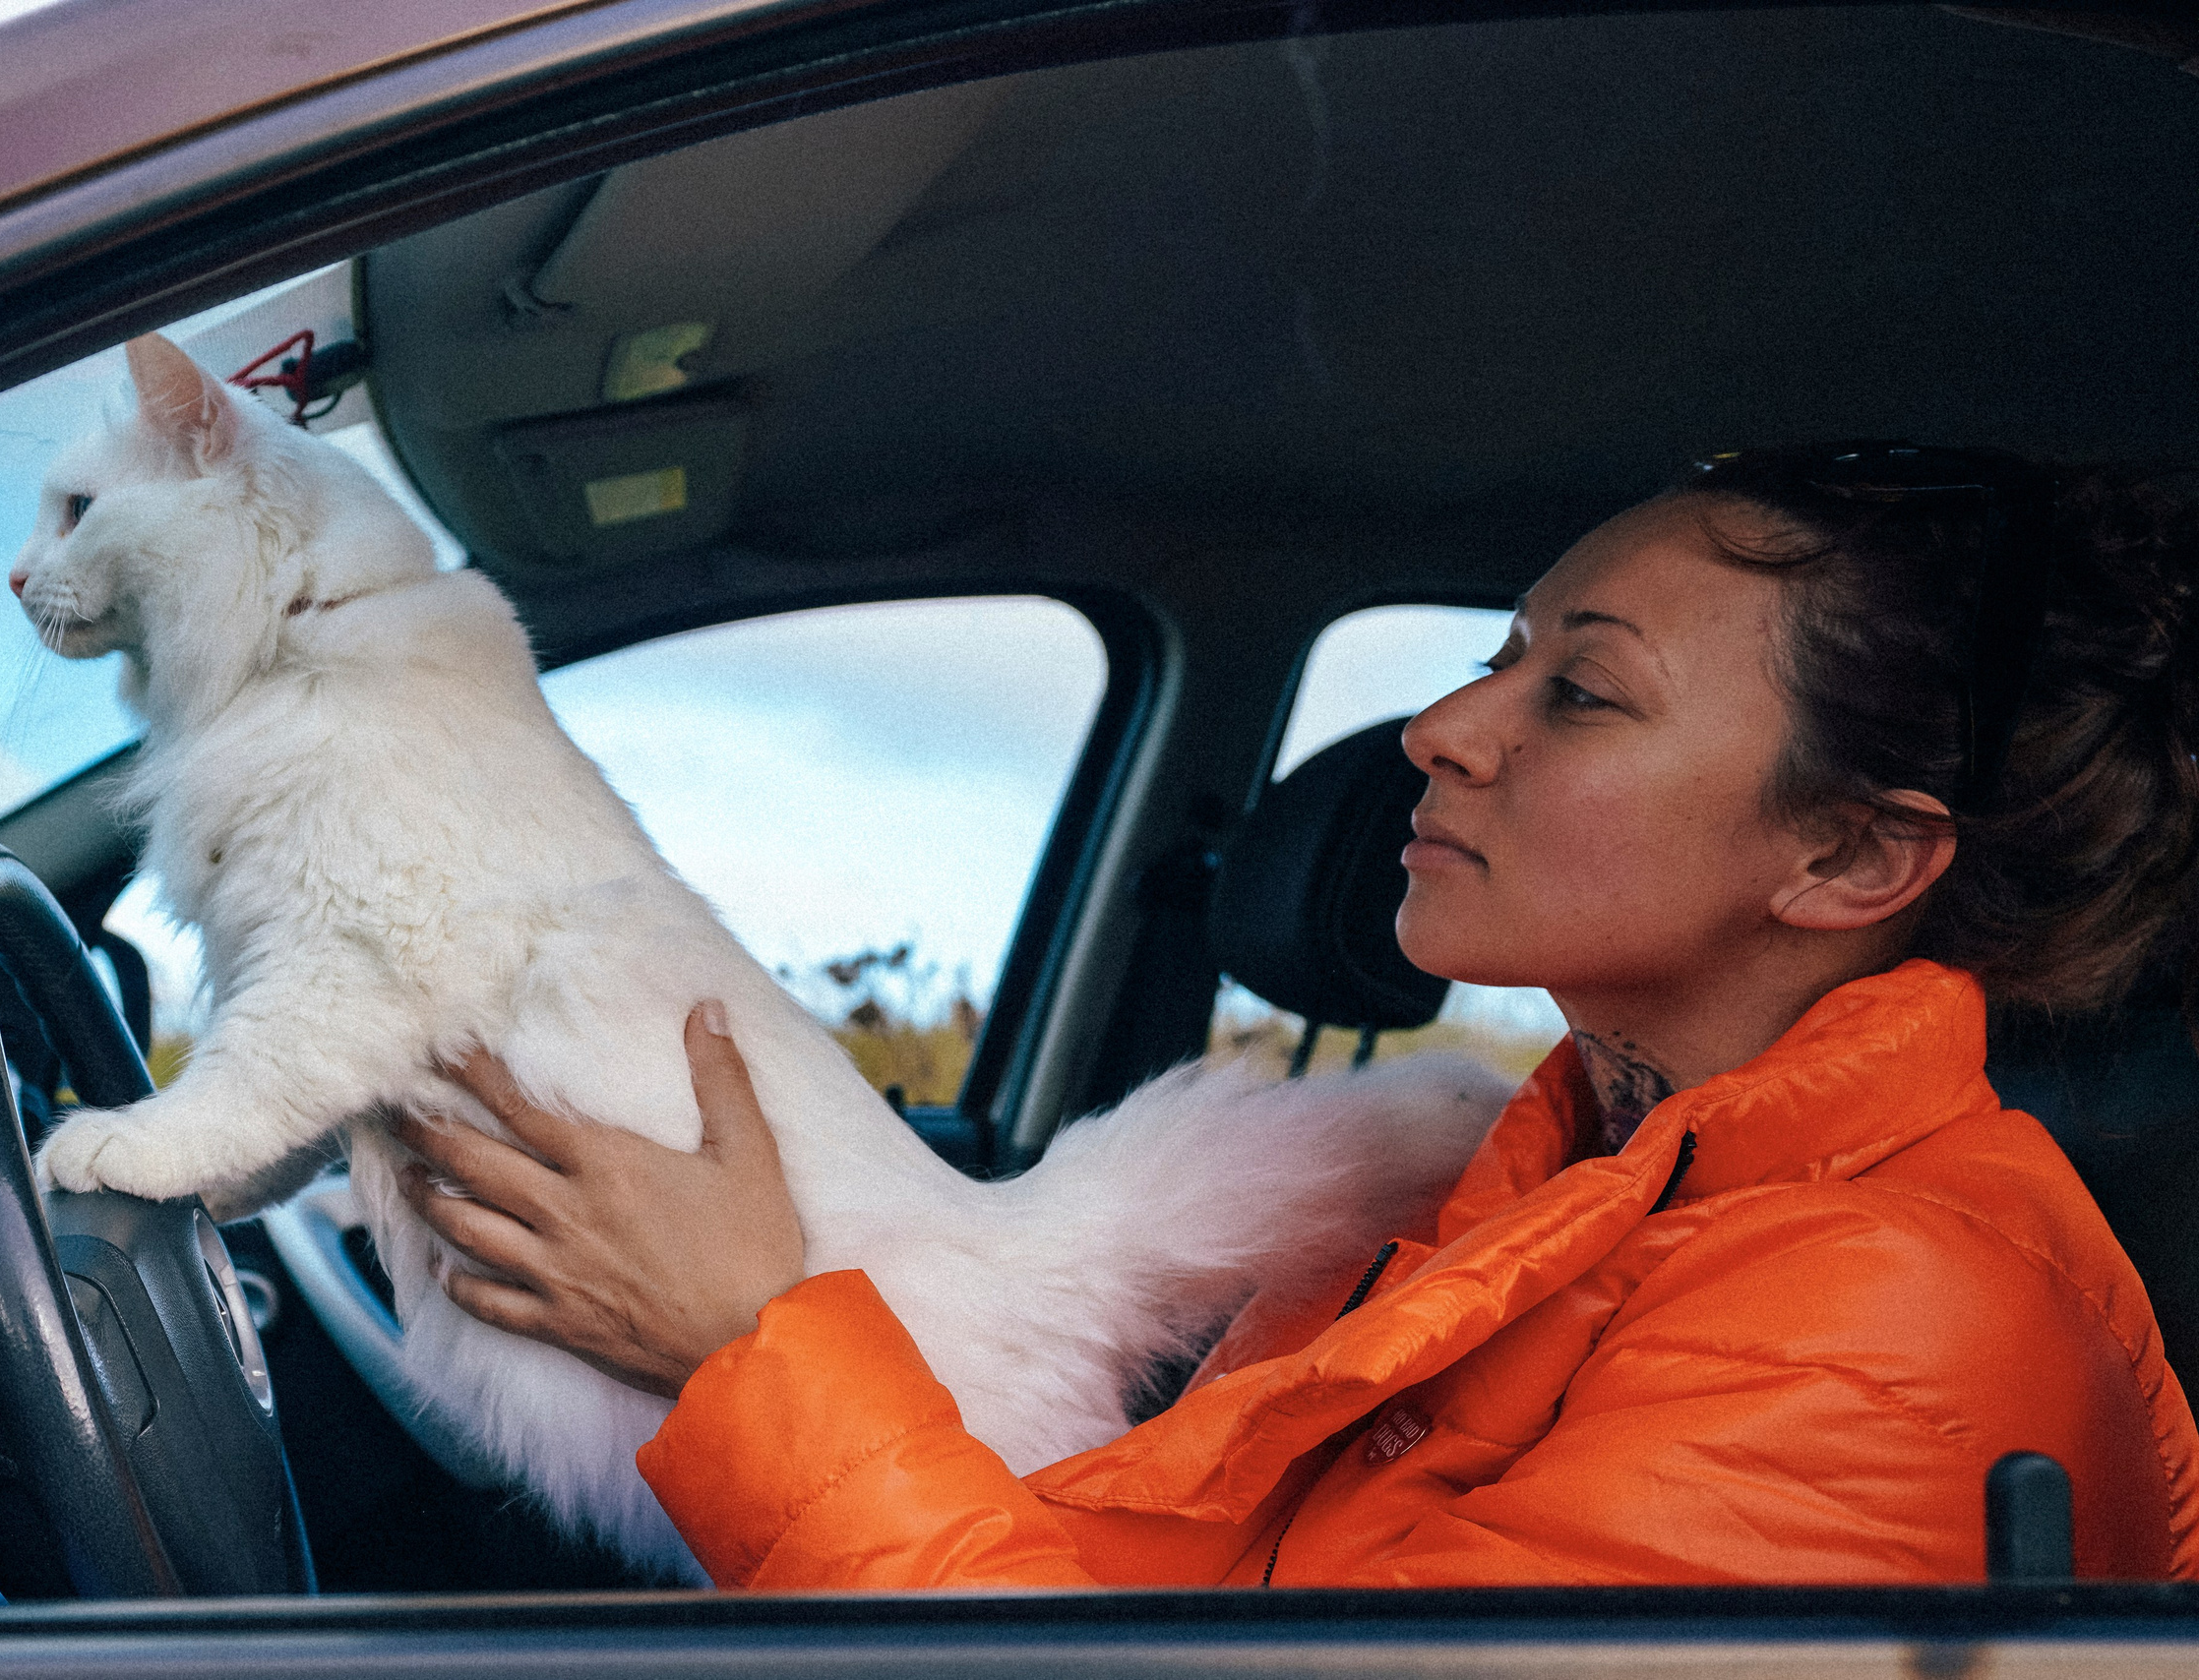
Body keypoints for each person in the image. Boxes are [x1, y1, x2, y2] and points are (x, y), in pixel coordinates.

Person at [396, 444, 2199, 1587]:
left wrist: (748, 1341)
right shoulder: (1559, 1185)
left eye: (1580, 692)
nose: (1446, 727)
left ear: (1853, 859)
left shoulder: (1890, 1320)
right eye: (1501, 649)